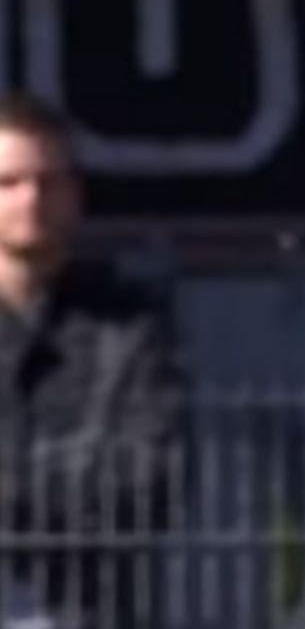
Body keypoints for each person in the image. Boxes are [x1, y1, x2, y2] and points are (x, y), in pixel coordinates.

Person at [0, 94, 188, 627]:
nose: (31, 199)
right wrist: (69, 477)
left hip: (85, 607)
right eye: (8, 183)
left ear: (75, 195)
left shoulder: (129, 327)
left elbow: (153, 484)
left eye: (48, 182)